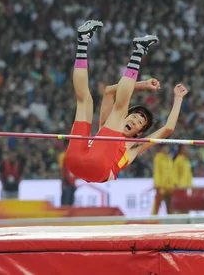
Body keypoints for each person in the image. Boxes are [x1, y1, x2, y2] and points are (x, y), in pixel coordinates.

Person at [65, 20, 189, 183]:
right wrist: (142, 85)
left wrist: (178, 99)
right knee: (84, 100)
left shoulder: (134, 147)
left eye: (139, 122)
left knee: (118, 108)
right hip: (75, 161)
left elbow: (168, 128)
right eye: (135, 116)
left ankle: (138, 50)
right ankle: (83, 40)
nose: (134, 119)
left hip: (96, 168)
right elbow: (109, 91)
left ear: (138, 132)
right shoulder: (105, 126)